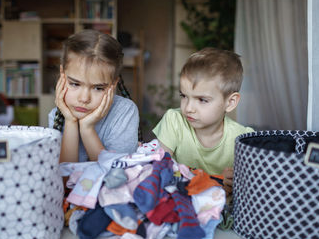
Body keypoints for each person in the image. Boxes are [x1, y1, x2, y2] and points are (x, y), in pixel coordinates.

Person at [152, 48, 254, 195]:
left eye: (202, 100)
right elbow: (159, 169)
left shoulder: (242, 140)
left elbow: (253, 189)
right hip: (180, 201)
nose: (188, 108)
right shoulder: (174, 121)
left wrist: (234, 183)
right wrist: (216, 180)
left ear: (230, 102)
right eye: (184, 96)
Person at [49, 29, 139, 163]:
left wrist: (87, 129)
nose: (84, 98)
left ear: (113, 85)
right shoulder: (57, 116)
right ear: (62, 74)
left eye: (98, 88)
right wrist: (70, 122)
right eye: (75, 84)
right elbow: (65, 180)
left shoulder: (124, 112)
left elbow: (117, 177)